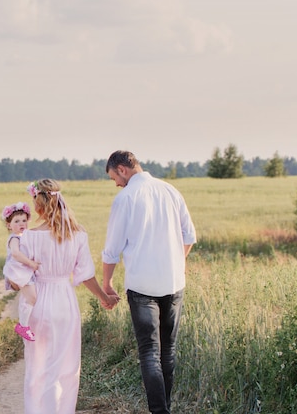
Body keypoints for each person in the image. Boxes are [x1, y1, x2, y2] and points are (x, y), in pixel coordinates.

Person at [6, 178, 120, 414]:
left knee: (37, 367)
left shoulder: (26, 237)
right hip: (65, 302)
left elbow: (16, 279)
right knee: (66, 368)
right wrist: (104, 297)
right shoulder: (78, 235)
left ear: (37, 207)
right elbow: (86, 275)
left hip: (37, 301)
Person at [101, 150, 197, 414]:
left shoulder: (125, 199)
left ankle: (159, 411)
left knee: (149, 352)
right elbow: (189, 236)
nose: (117, 184)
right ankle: (164, 409)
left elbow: (111, 250)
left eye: (114, 178)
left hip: (142, 286)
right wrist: (176, 261)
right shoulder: (171, 191)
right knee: (168, 351)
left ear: (122, 169)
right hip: (174, 281)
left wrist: (106, 283)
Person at [1, 201, 41, 341]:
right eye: (17, 221)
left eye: (24, 220)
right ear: (9, 225)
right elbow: (16, 254)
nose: (21, 223)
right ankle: (23, 325)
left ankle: (25, 323)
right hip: (19, 271)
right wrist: (31, 263)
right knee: (32, 297)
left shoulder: (24, 237)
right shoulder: (14, 238)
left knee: (27, 298)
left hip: (24, 271)